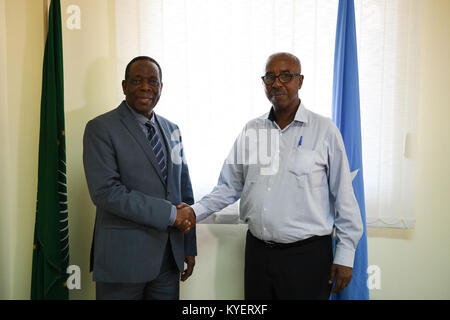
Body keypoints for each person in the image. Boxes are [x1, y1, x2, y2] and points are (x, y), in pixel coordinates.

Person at [179, 52, 363, 299]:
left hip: (307, 257)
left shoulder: (325, 131)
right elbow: (229, 186)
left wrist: (346, 254)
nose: (277, 83)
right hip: (258, 254)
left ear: (300, 81)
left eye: (286, 76)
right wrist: (193, 211)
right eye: (270, 77)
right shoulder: (252, 130)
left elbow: (344, 197)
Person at [83, 56, 196, 300]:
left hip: (168, 261)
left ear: (161, 88)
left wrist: (188, 245)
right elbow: (106, 192)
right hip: (123, 262)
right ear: (124, 86)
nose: (146, 87)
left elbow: (183, 191)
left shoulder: (172, 129)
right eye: (137, 81)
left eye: (153, 81)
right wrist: (170, 215)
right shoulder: (101, 128)